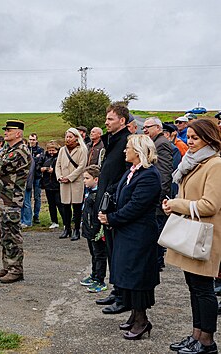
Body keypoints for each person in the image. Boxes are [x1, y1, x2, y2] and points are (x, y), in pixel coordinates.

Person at [163, 119, 221, 353]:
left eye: (195, 138)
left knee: (203, 289)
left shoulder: (215, 164)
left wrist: (178, 204)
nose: (190, 141)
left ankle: (207, 342)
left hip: (205, 235)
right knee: (194, 287)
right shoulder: (194, 162)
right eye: (188, 136)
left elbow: (211, 205)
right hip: (191, 234)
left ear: (208, 138)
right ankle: (196, 335)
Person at [98, 134, 161, 340]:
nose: (125, 151)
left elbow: (136, 207)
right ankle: (135, 315)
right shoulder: (132, 172)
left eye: (128, 148)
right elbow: (119, 196)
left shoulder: (149, 175)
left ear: (139, 151)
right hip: (127, 232)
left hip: (140, 235)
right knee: (128, 274)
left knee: (138, 276)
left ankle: (142, 321)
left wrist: (111, 218)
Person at [95, 103, 132, 315]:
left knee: (118, 252)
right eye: (106, 119)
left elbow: (127, 174)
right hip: (106, 202)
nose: (106, 122)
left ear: (122, 121)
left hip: (116, 204)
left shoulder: (127, 141)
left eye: (110, 119)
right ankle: (116, 289)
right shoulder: (111, 140)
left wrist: (111, 191)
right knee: (110, 250)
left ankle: (123, 296)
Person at [0, 119, 31, 284]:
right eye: (5, 130)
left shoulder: (20, 151)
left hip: (11, 198)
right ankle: (7, 266)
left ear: (18, 133)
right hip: (0, 196)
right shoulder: (8, 149)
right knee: (2, 233)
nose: (5, 132)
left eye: (9, 130)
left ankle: (16, 270)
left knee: (11, 234)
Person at [143, 117, 174, 270]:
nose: (145, 130)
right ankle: (156, 260)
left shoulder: (162, 144)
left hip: (157, 198)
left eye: (148, 127)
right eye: (144, 128)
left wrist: (158, 198)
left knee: (156, 230)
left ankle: (157, 261)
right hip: (156, 197)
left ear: (158, 127)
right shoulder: (155, 143)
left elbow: (165, 173)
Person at [79, 165, 107, 293]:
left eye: (87, 178)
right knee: (93, 254)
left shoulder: (98, 195)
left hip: (96, 231)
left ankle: (100, 280)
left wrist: (99, 230)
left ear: (96, 179)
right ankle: (94, 275)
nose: (84, 181)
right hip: (89, 229)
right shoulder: (89, 192)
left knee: (99, 255)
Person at [55, 128, 88, 241]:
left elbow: (82, 167)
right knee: (65, 206)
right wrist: (59, 176)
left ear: (76, 137)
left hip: (76, 182)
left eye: (70, 137)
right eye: (67, 137)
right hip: (63, 182)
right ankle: (67, 228)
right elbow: (57, 165)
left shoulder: (82, 150)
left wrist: (70, 178)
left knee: (77, 207)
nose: (68, 139)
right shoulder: (62, 150)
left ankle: (76, 230)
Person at [39, 140, 63, 229]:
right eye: (50, 150)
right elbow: (38, 166)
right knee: (51, 204)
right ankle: (54, 221)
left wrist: (55, 172)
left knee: (60, 203)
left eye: (53, 150)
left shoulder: (60, 157)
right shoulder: (44, 156)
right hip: (47, 184)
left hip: (57, 184)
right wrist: (43, 169)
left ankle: (65, 221)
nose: (51, 152)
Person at [22, 133, 44, 226]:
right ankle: (28, 217)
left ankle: (36, 215)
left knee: (37, 197)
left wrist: (34, 159)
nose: (31, 141)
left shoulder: (40, 150)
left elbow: (40, 161)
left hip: (38, 177)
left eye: (33, 139)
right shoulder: (27, 149)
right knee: (27, 198)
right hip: (29, 177)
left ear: (36, 140)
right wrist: (35, 158)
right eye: (30, 139)